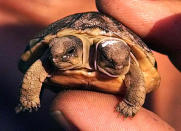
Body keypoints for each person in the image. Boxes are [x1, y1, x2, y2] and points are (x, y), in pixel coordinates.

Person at [51, 0, 181, 130]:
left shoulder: (127, 62)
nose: (119, 67)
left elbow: (136, 78)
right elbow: (42, 61)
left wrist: (132, 103)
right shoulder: (66, 45)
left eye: (124, 62)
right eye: (111, 61)